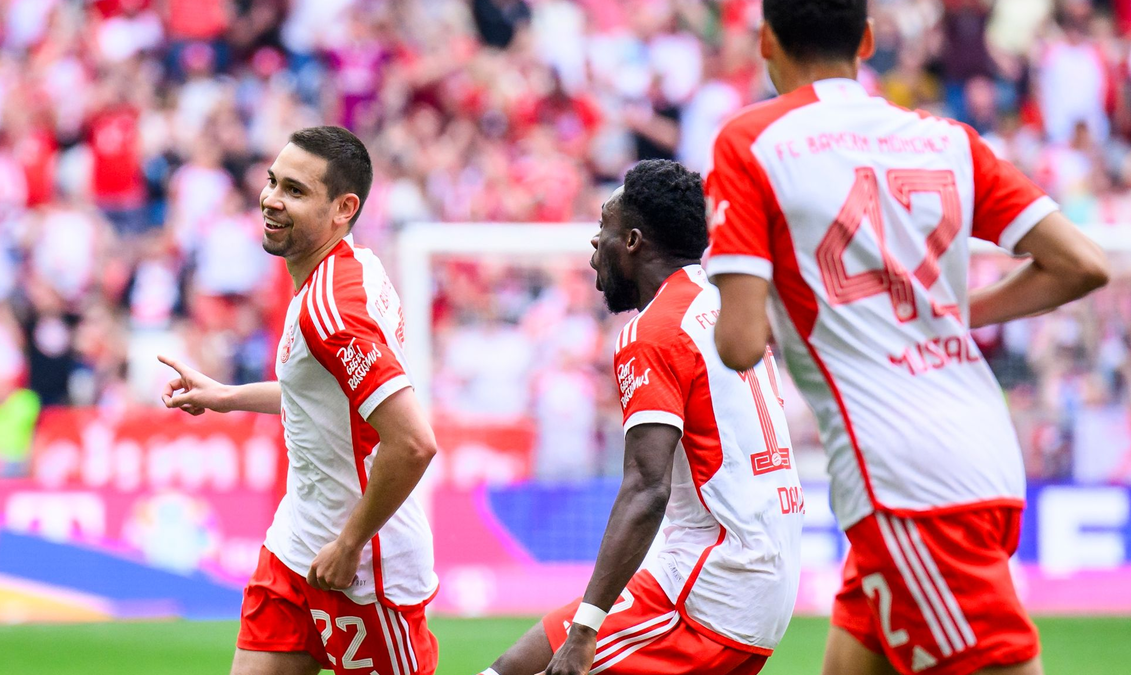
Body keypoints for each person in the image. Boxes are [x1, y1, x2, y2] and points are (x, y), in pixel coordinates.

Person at [703, 2, 1110, 675]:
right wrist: (947, 312)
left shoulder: (752, 140)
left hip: (903, 480)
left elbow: (741, 342)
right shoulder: (944, 138)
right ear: (866, 39)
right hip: (981, 447)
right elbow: (1085, 263)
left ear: (766, 38)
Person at [482, 159, 803, 675]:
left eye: (602, 230)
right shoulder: (727, 307)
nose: (593, 246)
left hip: (710, 587)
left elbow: (646, 487)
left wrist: (586, 630)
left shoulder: (653, 331)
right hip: (756, 573)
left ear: (632, 241)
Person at [158, 126, 439, 675]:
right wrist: (226, 397)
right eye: (271, 181)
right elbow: (322, 394)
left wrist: (350, 543)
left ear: (343, 208)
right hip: (295, 547)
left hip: (360, 570)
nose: (271, 199)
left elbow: (413, 443)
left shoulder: (335, 309)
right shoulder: (344, 271)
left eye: (295, 190)